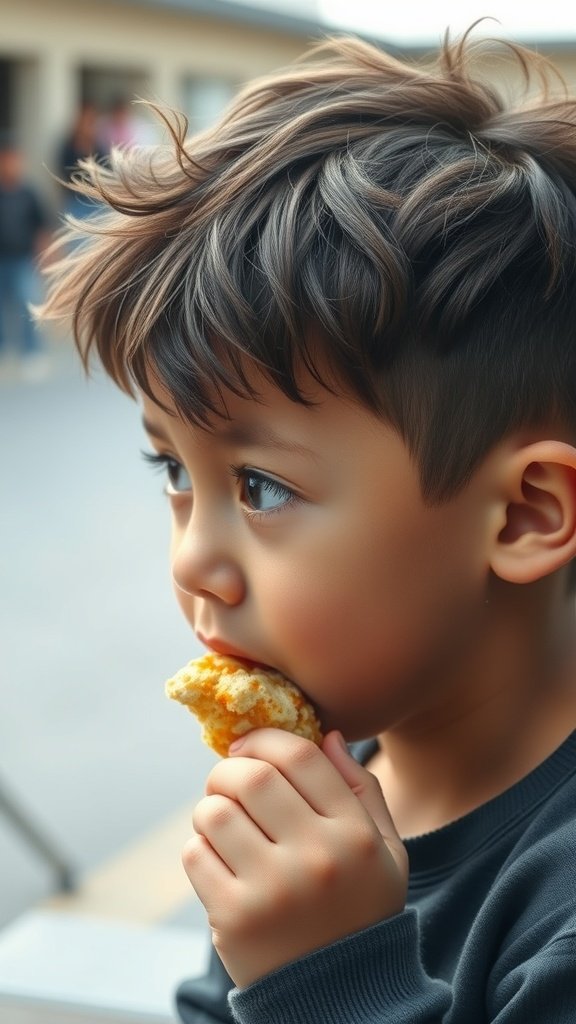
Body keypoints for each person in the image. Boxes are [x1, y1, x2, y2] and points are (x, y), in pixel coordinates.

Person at [40, 26, 576, 1024]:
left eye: (261, 488)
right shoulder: (334, 782)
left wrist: (329, 978)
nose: (196, 561)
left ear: (525, 514)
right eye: (171, 468)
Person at [0, 135, 51, 372]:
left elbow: (41, 227)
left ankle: (31, 351)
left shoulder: (28, 193)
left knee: (27, 303)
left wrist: (46, 257)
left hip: (23, 260)